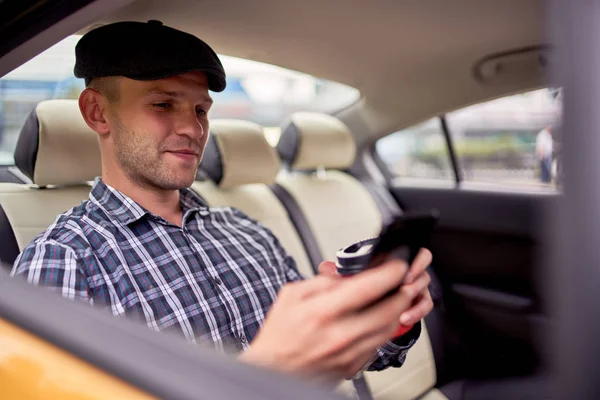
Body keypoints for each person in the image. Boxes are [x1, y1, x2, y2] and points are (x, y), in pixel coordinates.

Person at [10, 20, 434, 384]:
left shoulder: (247, 230)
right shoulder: (65, 259)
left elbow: (336, 356)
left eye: (200, 110)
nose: (193, 129)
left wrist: (390, 320)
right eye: (162, 104)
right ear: (98, 113)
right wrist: (262, 372)